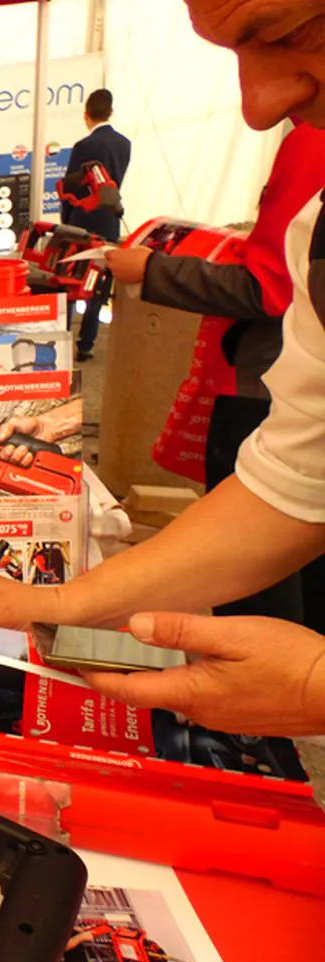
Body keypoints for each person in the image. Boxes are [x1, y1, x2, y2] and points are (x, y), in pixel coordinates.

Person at [0, 0, 325, 806]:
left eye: (289, 33)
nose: (259, 106)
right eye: (232, 51)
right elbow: (289, 486)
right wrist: (55, 603)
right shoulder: (319, 234)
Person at [105, 121, 325, 631]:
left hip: (263, 389)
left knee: (251, 586)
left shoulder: (311, 138)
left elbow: (269, 288)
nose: (255, 108)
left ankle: (246, 708)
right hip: (278, 385)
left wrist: (154, 270)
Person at [62, 89, 131, 361]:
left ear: (86, 115)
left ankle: (63, 337)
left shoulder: (83, 147)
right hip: (109, 223)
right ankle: (86, 344)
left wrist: (66, 220)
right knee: (99, 284)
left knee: (70, 279)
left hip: (82, 222)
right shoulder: (124, 144)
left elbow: (71, 188)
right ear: (111, 112)